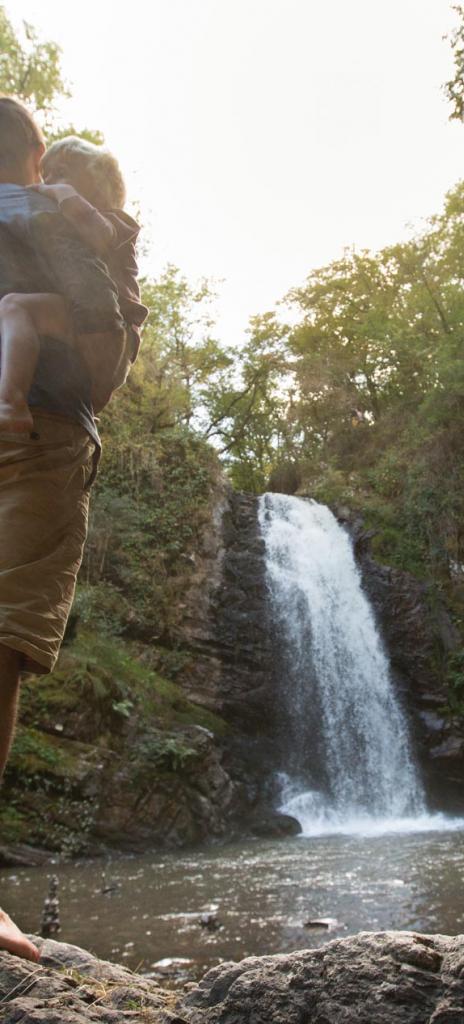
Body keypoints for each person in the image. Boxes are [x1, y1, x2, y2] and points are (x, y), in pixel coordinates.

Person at [0, 96, 127, 962]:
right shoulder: (56, 214)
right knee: (2, 641)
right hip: (41, 433)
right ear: (39, 156)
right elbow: (104, 345)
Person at [0, 135, 148, 432]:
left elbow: (100, 235)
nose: (50, 180)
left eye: (63, 172)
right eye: (47, 174)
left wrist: (64, 194)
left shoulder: (116, 220)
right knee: (21, 310)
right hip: (85, 323)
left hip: (115, 329)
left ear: (99, 182)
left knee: (16, 307)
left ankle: (10, 403)